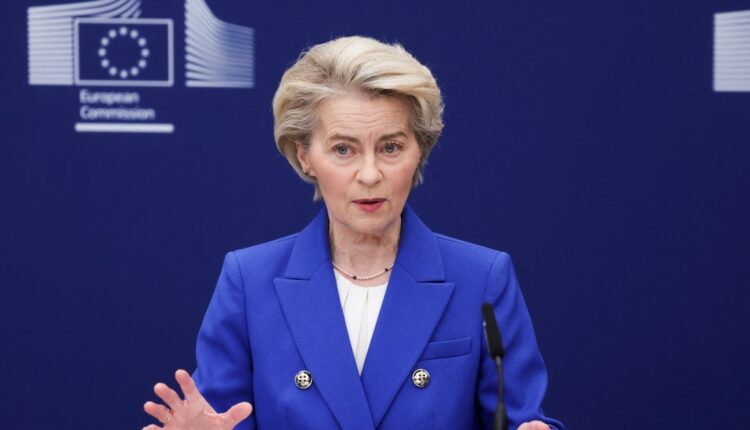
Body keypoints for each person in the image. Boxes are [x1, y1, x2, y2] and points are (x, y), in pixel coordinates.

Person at [142, 36, 564, 430]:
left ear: (420, 150)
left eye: (391, 147)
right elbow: (220, 418)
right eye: (343, 149)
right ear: (305, 156)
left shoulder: (482, 278)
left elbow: (521, 418)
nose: (369, 174)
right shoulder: (250, 281)